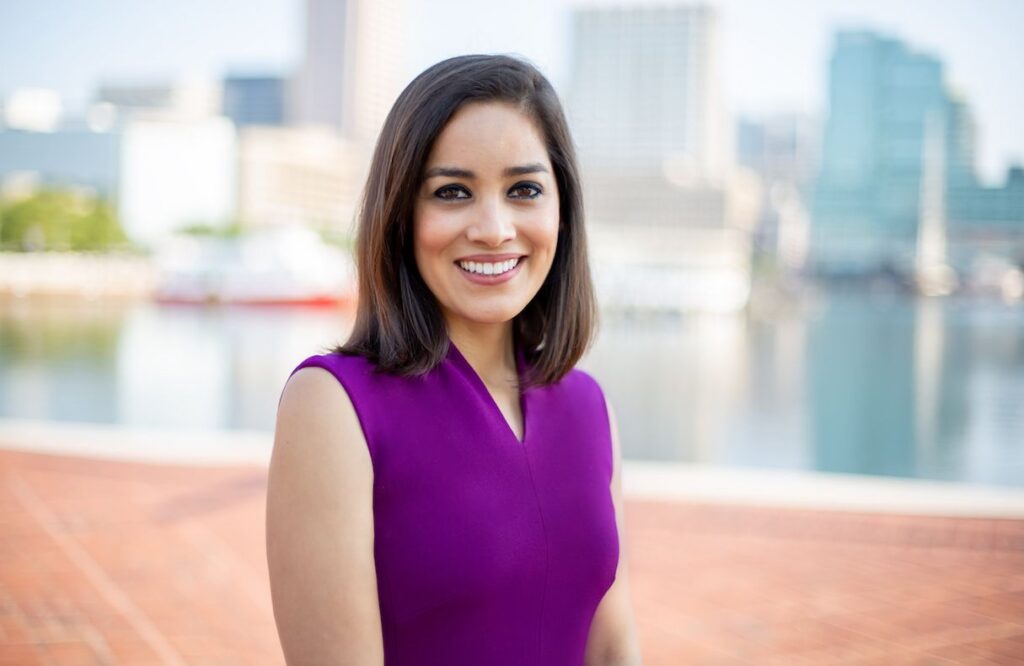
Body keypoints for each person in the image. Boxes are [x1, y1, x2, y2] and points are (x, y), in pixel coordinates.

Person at [266, 54, 642, 665]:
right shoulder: (333, 405)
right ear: (401, 216)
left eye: (524, 189)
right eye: (452, 192)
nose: (493, 229)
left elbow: (612, 645)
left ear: (562, 211)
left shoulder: (588, 405)